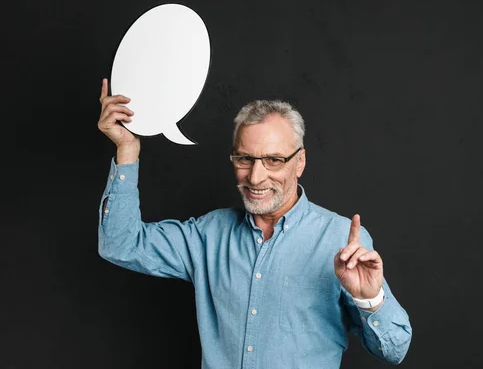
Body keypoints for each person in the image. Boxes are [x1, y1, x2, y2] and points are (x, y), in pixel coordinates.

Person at [97, 78, 412, 368]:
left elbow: (395, 350)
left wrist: (370, 300)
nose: (256, 177)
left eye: (274, 160)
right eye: (245, 159)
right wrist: (127, 149)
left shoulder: (342, 240)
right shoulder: (209, 235)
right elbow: (121, 244)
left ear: (299, 162)